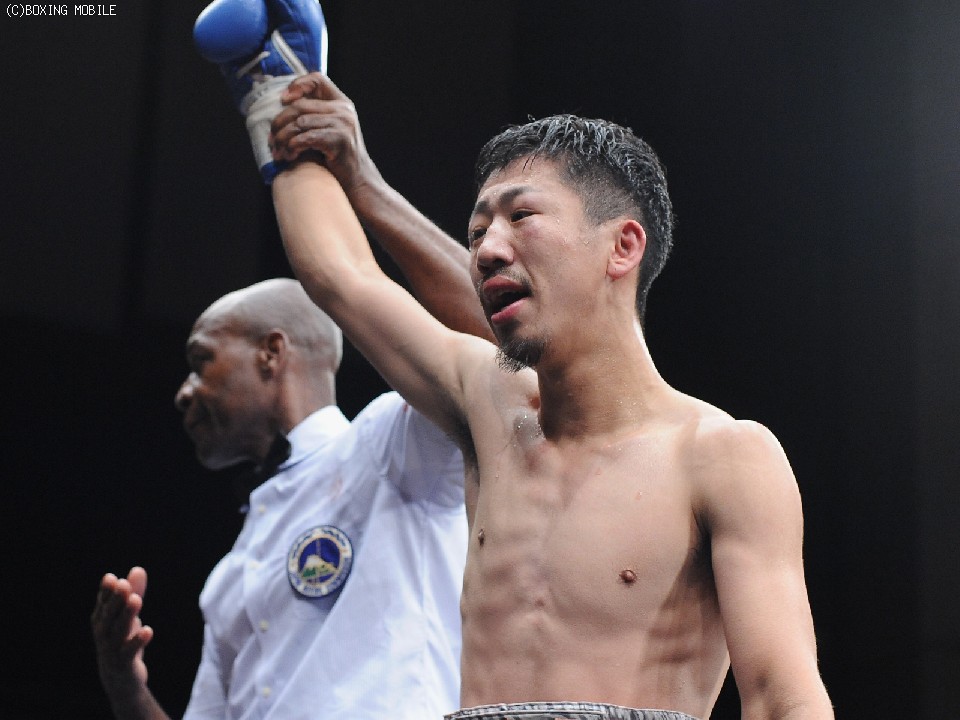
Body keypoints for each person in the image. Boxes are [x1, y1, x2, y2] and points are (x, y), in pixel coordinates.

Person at [256, 71, 836, 720]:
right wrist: (272, 94)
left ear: (623, 246)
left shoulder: (724, 457)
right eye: (477, 233)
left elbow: (783, 697)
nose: (486, 251)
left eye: (521, 217)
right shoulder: (490, 409)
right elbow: (340, 276)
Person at [91, 196, 490, 719]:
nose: (184, 393)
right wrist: (125, 686)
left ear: (272, 353)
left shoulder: (386, 447)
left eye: (201, 361)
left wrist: (364, 188)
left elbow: (485, 351)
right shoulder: (230, 577)